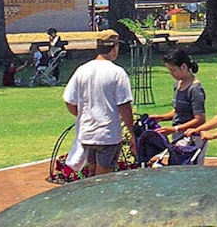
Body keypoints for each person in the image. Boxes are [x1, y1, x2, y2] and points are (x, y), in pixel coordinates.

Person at [62, 29, 137, 177]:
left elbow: (69, 102)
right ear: (115, 48)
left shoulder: (82, 70)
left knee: (92, 174)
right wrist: (132, 133)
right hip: (108, 134)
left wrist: (83, 115)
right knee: (104, 177)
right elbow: (124, 107)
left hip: (87, 133)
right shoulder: (117, 73)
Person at [146, 48, 207, 164]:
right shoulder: (178, 84)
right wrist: (161, 117)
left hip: (192, 137)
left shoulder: (195, 89)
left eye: (173, 70)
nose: (171, 74)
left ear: (183, 67)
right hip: (178, 135)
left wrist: (174, 129)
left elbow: (200, 119)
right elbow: (178, 111)